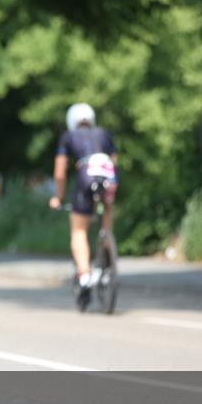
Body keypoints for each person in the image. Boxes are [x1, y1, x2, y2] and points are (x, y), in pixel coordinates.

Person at [48, 103, 119, 305]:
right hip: (108, 177)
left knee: (79, 230)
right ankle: (107, 243)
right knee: (107, 207)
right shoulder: (104, 134)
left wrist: (58, 198)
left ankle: (85, 275)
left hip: (85, 177)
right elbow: (114, 162)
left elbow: (60, 172)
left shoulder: (68, 136)